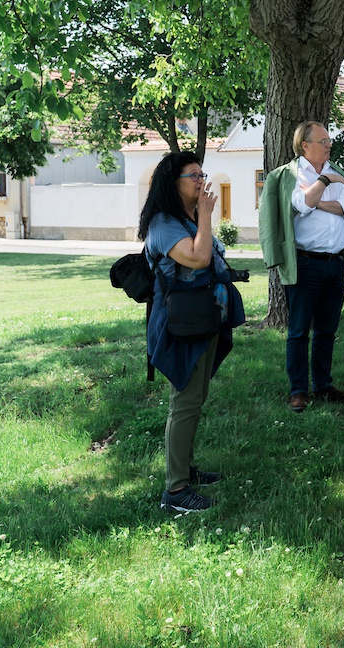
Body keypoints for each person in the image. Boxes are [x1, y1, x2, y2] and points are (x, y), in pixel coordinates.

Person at [139, 151, 246, 514]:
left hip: (203, 318)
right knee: (184, 402)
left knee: (196, 398)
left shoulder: (186, 218)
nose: (202, 181)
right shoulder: (164, 224)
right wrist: (205, 215)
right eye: (194, 176)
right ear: (174, 183)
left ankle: (184, 469)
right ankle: (175, 490)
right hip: (179, 325)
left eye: (203, 174)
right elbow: (199, 257)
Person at [258, 122, 344, 414]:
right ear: (305, 145)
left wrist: (318, 198)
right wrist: (325, 183)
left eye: (329, 140)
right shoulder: (291, 176)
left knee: (327, 330)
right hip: (306, 264)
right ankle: (298, 391)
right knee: (299, 331)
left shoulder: (338, 172)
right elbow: (302, 204)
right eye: (323, 141)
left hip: (335, 264)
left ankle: (323, 385)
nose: (330, 145)